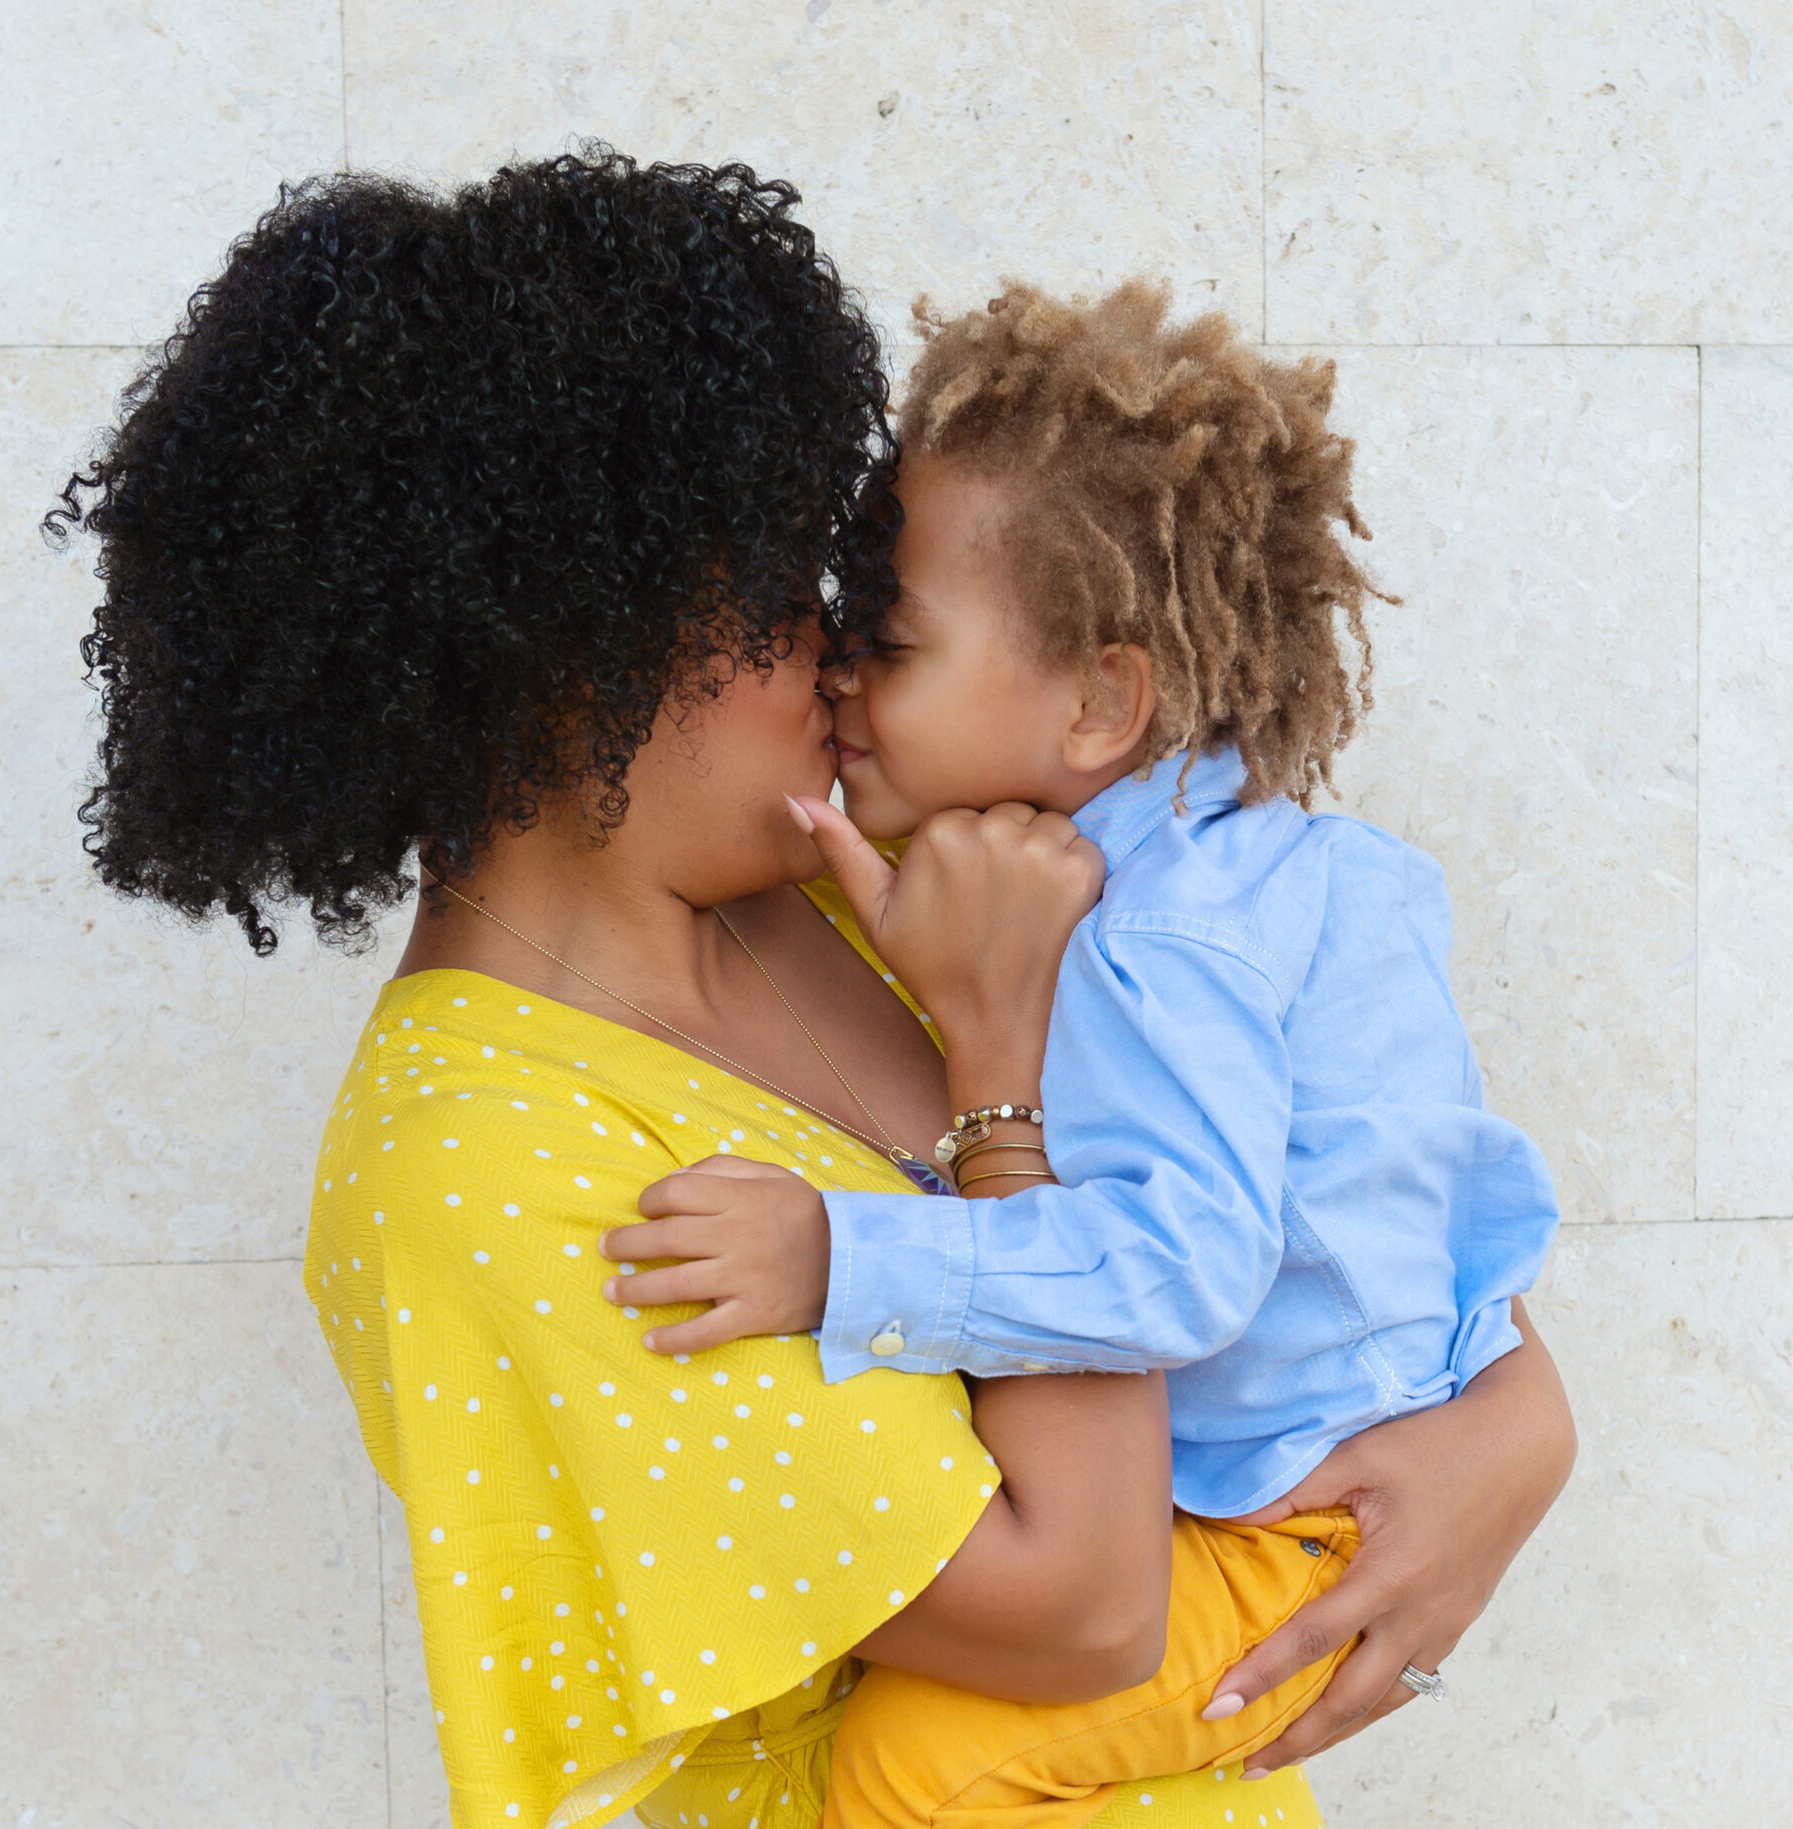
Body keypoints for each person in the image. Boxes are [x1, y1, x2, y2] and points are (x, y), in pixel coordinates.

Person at [49, 151, 1576, 1829]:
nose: (839, 657)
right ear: (580, 649)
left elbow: (1308, 1197)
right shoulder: (470, 1165)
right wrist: (1003, 1073)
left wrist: (1517, 1425)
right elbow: (1086, 1610)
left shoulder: (842, 899)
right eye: (782, 603)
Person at [610, 280, 1561, 1825]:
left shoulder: (1145, 939)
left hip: (1294, 1528)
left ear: (1106, 697)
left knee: (906, 1765)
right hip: (1340, 1468)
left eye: (892, 644)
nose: (838, 679)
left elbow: (1180, 1273)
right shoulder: (1255, 857)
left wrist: (839, 1258)